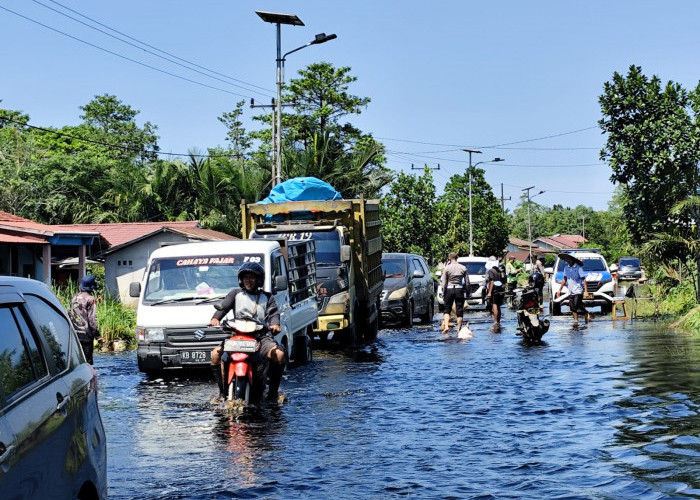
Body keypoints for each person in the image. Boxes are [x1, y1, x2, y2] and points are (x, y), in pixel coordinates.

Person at [209, 262, 286, 400]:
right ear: (241, 279)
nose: (248, 281)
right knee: (215, 355)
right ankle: (221, 393)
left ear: (259, 280)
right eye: (245, 277)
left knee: (279, 355)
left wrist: (275, 325)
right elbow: (223, 307)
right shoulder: (235, 294)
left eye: (252, 277)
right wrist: (215, 318)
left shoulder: (268, 297)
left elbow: (274, 314)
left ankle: (273, 392)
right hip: (237, 336)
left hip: (260, 338)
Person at [69, 274, 100, 364]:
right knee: (87, 363)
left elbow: (70, 314)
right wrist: (97, 335)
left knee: (77, 362)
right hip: (86, 335)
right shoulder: (90, 299)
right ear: (92, 287)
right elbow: (92, 319)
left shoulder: (74, 298)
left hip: (75, 334)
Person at [556, 257, 592, 325]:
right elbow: (564, 279)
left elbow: (583, 280)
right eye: (567, 260)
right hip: (570, 291)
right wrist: (559, 290)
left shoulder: (578, 268)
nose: (568, 261)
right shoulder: (566, 268)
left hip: (578, 290)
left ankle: (586, 312)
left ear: (573, 260)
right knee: (572, 306)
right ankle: (576, 320)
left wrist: (586, 291)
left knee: (576, 304)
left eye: (569, 260)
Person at [440, 252, 469, 334]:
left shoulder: (447, 268)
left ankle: (446, 327)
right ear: (457, 257)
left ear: (449, 258)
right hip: (459, 289)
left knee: (447, 309)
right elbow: (467, 282)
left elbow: (444, 282)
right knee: (459, 310)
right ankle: (458, 329)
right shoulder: (463, 268)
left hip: (449, 289)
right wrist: (468, 292)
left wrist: (444, 292)